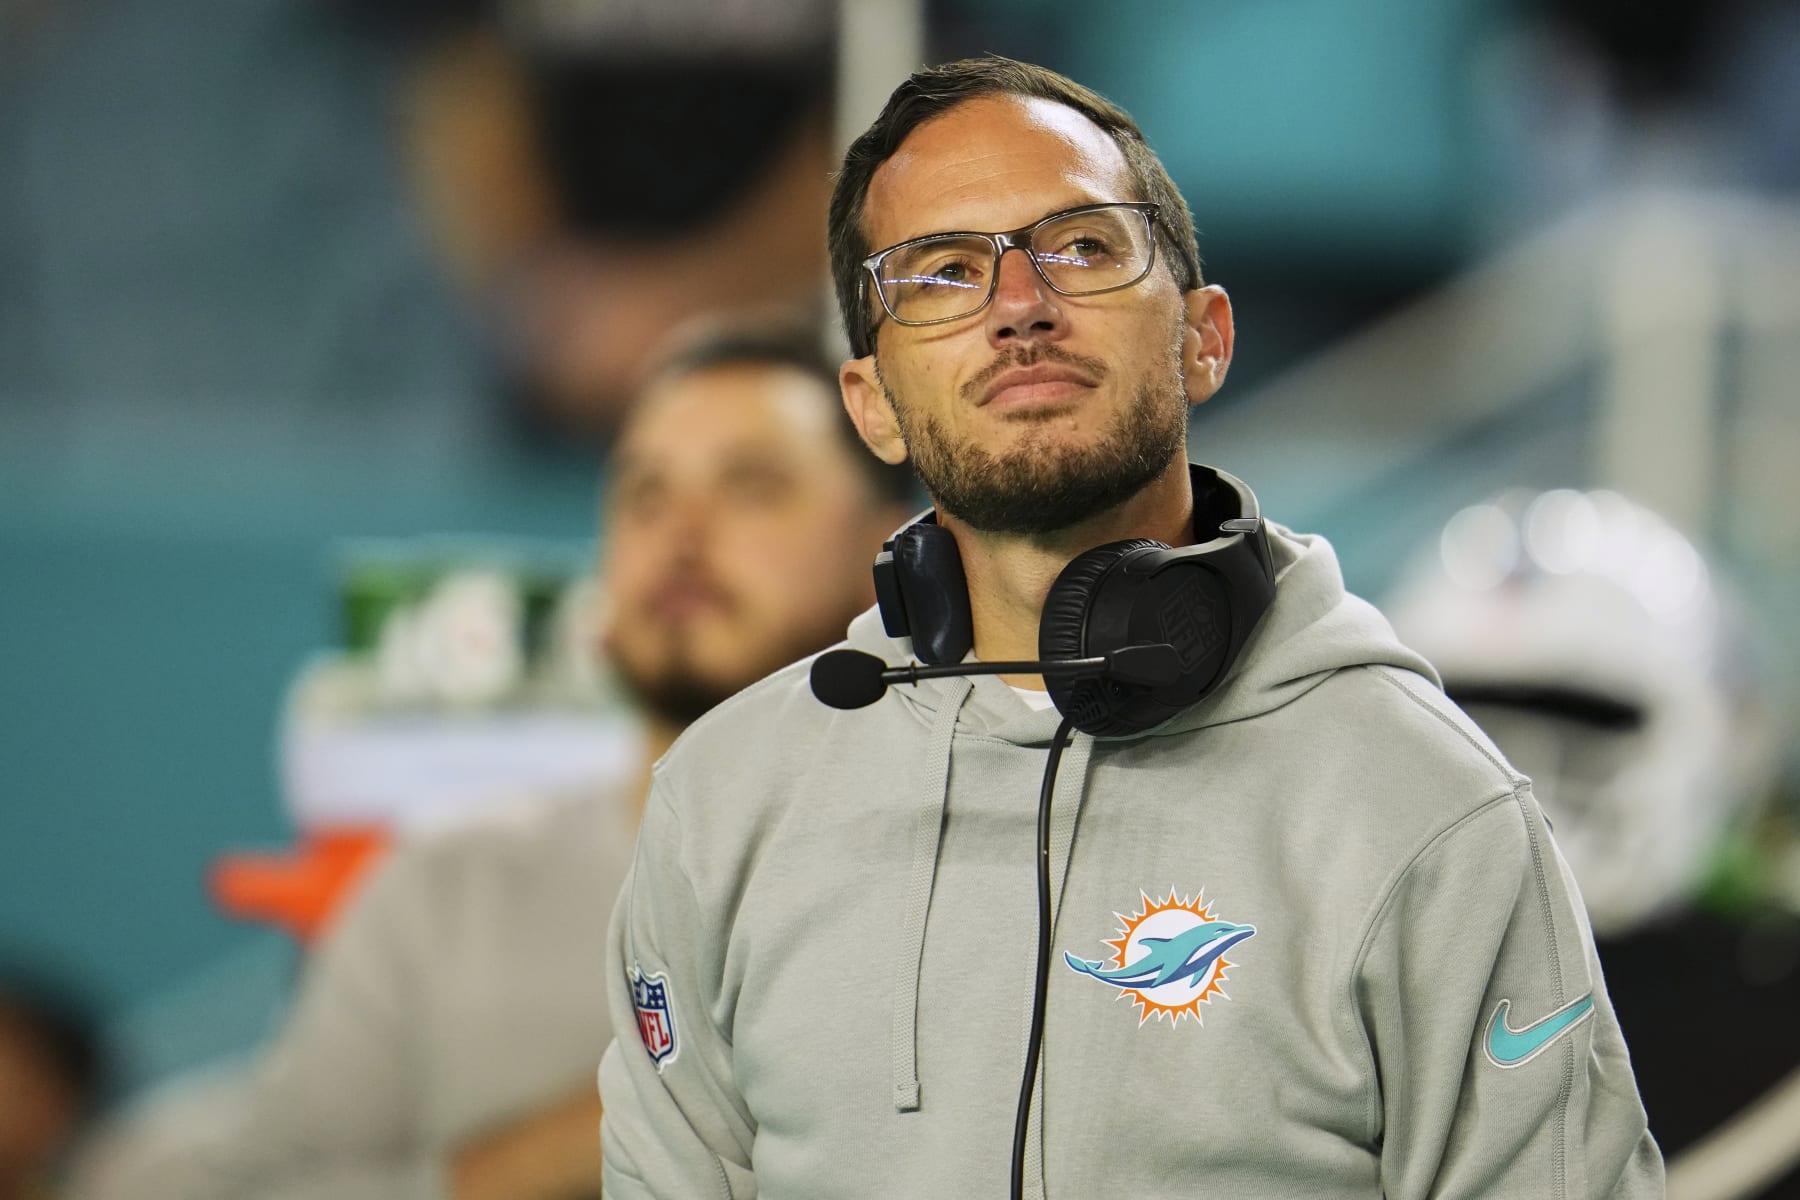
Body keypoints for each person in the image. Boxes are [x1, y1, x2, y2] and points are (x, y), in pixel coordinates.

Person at [597, 57, 1662, 1198]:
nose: (1019, 305)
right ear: (874, 406)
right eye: (946, 273)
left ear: (1203, 337)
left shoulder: (1428, 806)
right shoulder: (725, 802)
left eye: (1084, 248)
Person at [174, 327, 914, 1200]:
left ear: (889, 554)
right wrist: (612, 1127)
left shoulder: (963, 872)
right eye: (643, 494)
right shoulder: (444, 890)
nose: (679, 532)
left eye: (750, 487)